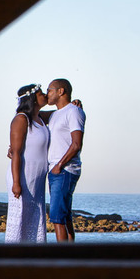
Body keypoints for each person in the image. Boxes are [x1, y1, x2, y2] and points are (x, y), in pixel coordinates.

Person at [5, 83, 49, 244]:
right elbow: (16, 152)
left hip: (37, 180)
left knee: (34, 218)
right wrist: (16, 183)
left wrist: (73, 105)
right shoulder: (21, 119)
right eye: (40, 93)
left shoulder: (40, 118)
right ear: (32, 98)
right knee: (20, 219)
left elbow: (61, 114)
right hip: (23, 175)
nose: (44, 95)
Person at [44, 78, 84, 242]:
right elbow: (28, 114)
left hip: (64, 170)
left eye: (49, 90)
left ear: (61, 91)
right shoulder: (55, 114)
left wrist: (59, 166)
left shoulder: (73, 111)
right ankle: (71, 259)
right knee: (65, 217)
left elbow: (76, 144)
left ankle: (61, 262)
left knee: (57, 219)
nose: (47, 94)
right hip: (57, 171)